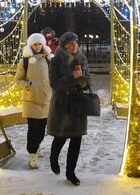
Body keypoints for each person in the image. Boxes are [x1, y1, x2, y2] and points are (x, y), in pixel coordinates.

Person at [47, 32, 90, 186]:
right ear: (64, 45)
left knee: (76, 139)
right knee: (61, 137)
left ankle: (71, 172)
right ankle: (53, 158)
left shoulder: (81, 59)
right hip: (62, 104)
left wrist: (83, 80)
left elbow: (88, 82)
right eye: (71, 43)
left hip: (78, 104)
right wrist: (73, 76)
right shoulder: (56, 60)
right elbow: (54, 84)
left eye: (76, 42)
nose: (74, 45)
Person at [15, 33, 53, 169]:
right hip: (31, 100)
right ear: (30, 45)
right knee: (33, 129)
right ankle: (32, 155)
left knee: (42, 130)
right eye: (35, 44)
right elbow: (18, 79)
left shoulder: (48, 59)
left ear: (43, 45)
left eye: (39, 44)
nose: (37, 47)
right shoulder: (24, 61)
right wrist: (28, 85)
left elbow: (53, 77)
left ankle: (37, 147)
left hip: (46, 101)